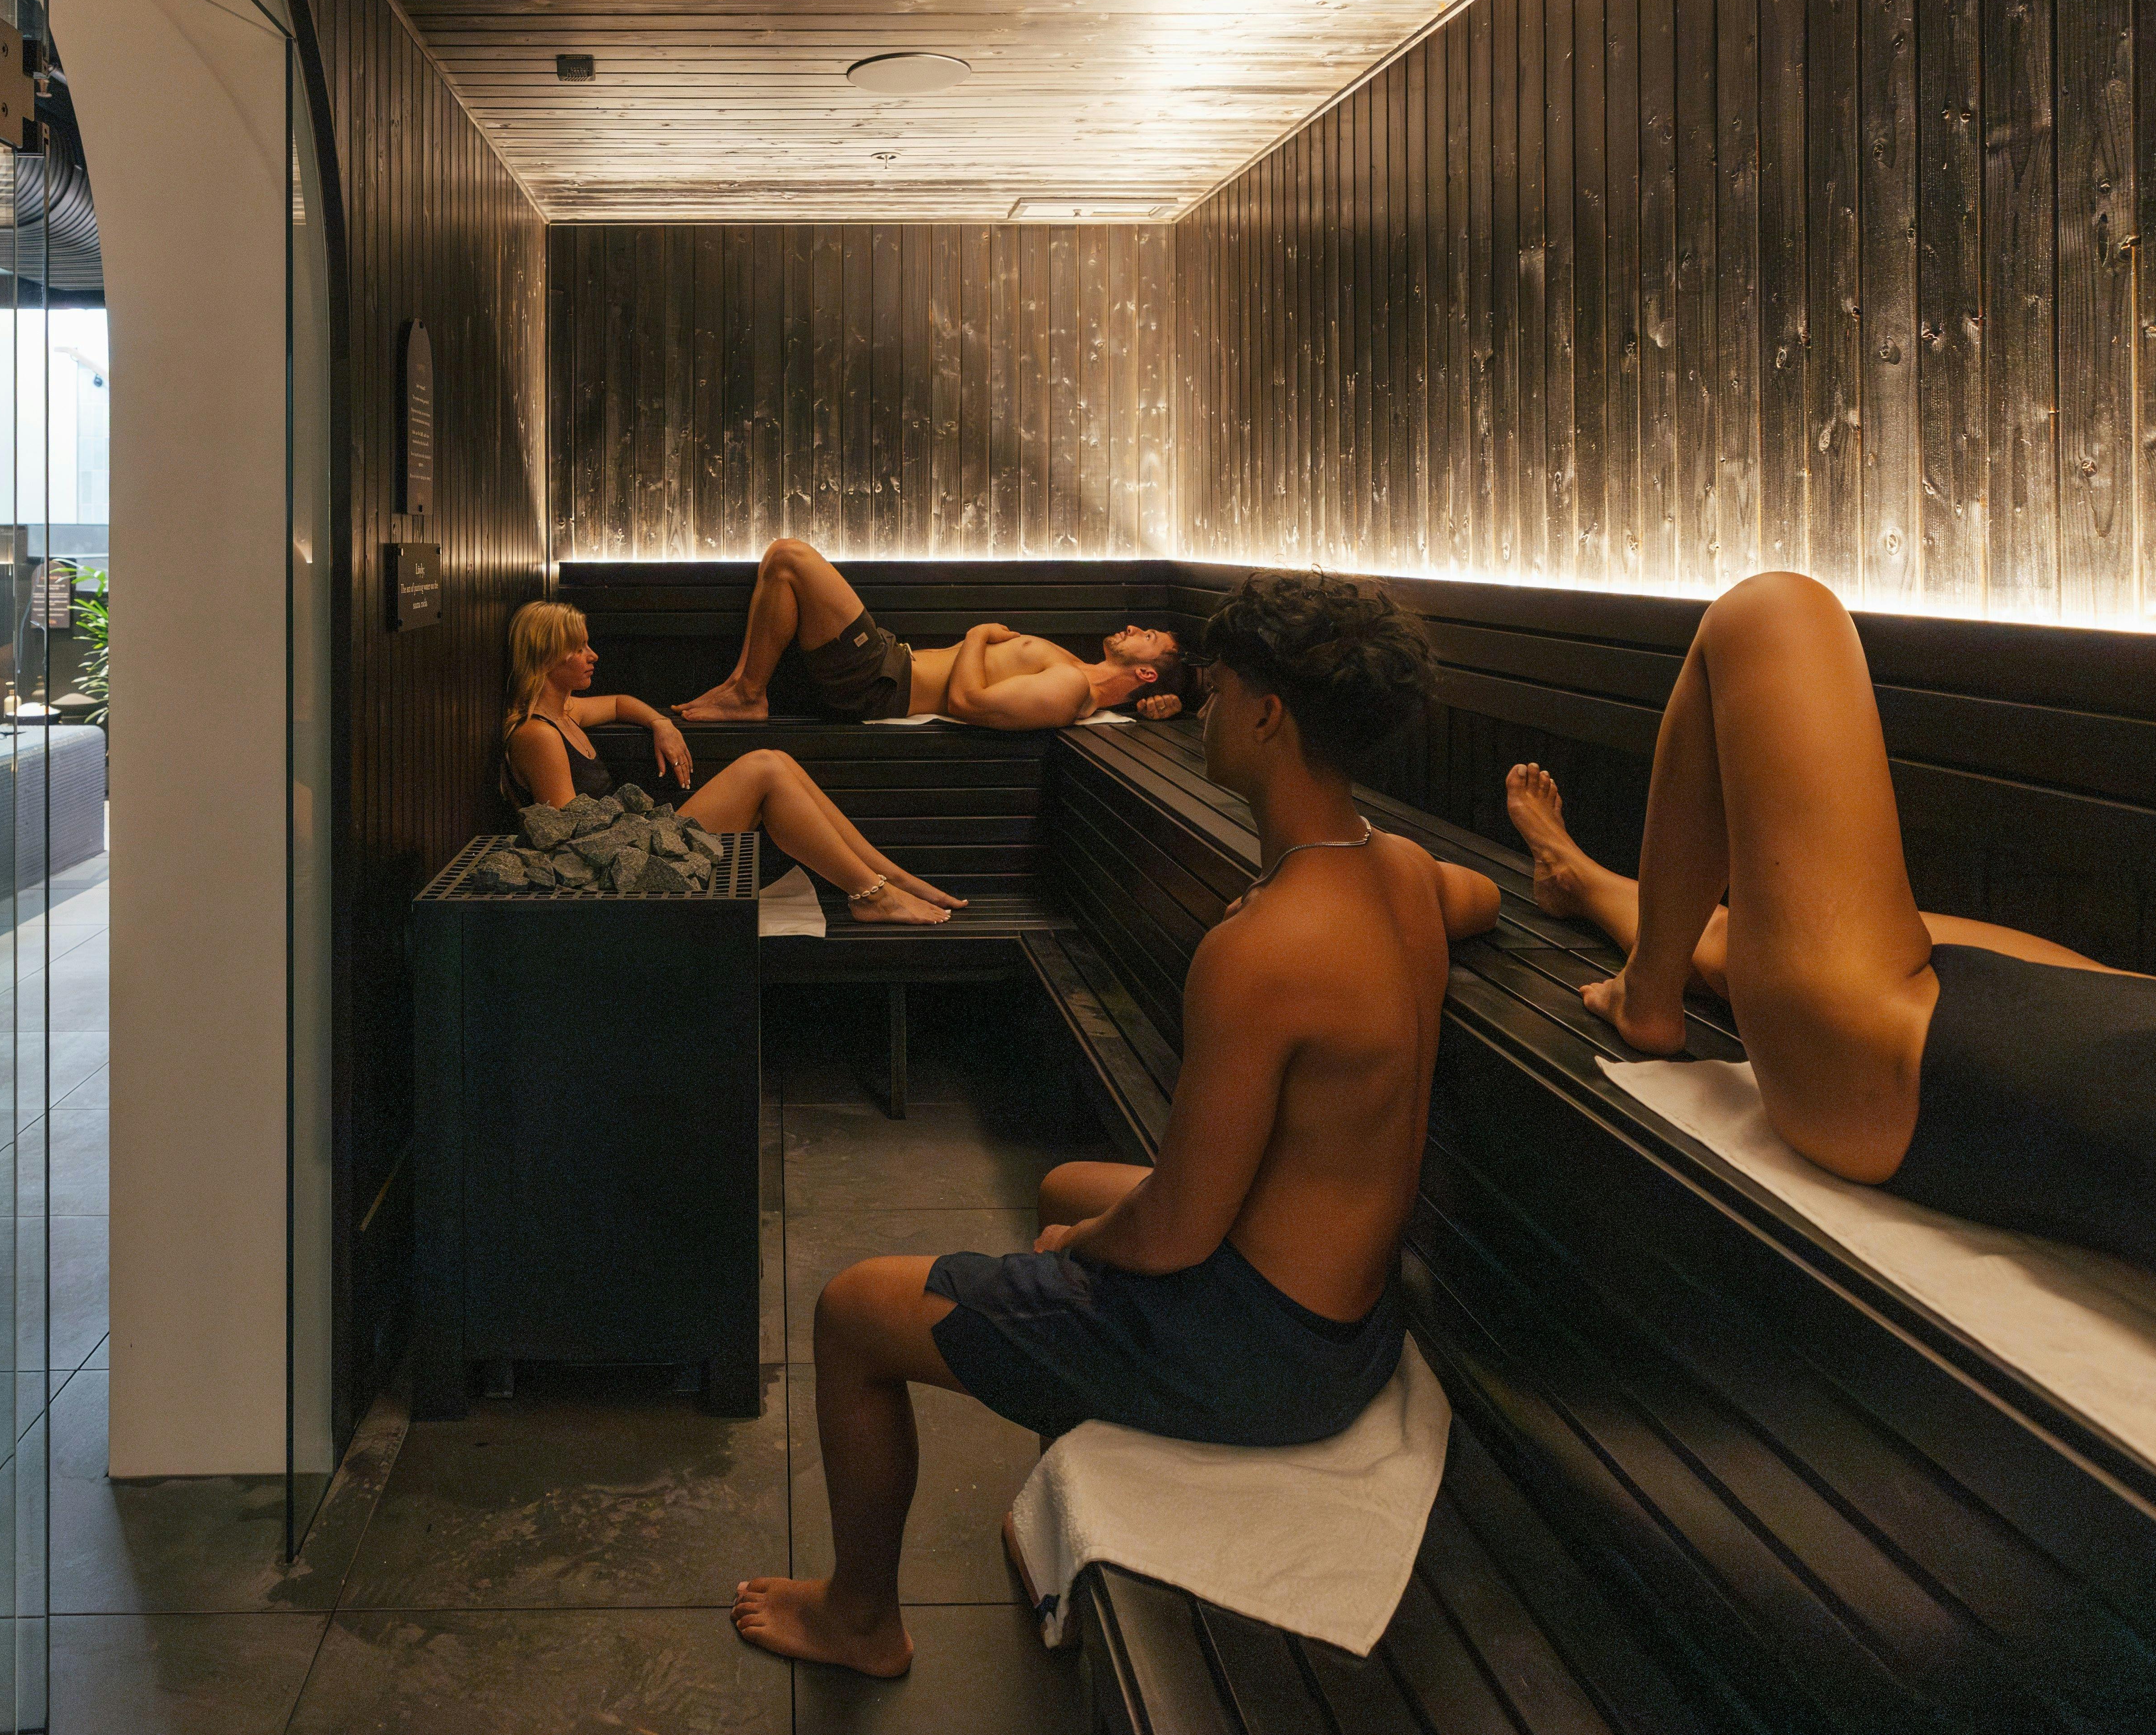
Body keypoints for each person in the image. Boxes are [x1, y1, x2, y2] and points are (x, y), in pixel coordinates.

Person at [733, 571, 1503, 1678]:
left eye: (1220, 687)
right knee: (1064, 1186)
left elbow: (1179, 1232)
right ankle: (1060, 1488)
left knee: (857, 1312)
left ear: (1268, 715)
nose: (1201, 706)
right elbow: (1471, 900)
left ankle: (860, 1618)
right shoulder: (1405, 878)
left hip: (1253, 1352)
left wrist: (1079, 1254)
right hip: (1348, 1326)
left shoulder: (1261, 952)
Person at [1496, 571, 2156, 1350]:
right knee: (1746, 933)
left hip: (1913, 1064)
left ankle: (1642, 994)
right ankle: (1583, 881)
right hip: (2145, 1026)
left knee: (1768, 614)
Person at [500, 602, 964, 924]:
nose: (592, 655)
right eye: (580, 648)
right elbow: (567, 841)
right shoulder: (537, 734)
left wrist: (663, 724)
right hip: (625, 869)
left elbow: (622, 703)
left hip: (637, 840)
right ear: (547, 655)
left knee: (775, 760)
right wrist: (642, 832)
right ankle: (873, 896)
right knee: (764, 769)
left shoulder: (566, 712)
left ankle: (890, 879)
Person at [671, 536, 1187, 729]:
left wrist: (978, 634)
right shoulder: (1073, 671)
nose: (1136, 627)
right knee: (780, 563)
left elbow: (966, 702)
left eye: (1151, 637)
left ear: (1145, 670)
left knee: (789, 558)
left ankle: (747, 694)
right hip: (887, 667)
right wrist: (1163, 705)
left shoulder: (1074, 688)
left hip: (881, 682)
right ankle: (742, 688)